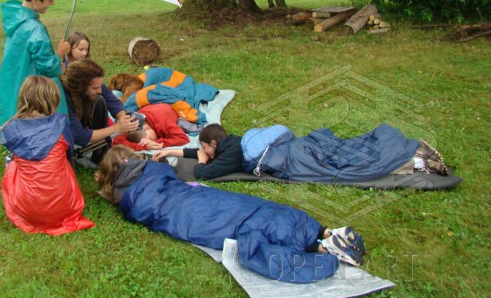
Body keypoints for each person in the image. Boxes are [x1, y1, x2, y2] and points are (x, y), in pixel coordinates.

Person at [95, 145, 366, 283]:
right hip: (196, 200)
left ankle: (323, 248)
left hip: (189, 214)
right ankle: (323, 235)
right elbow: (165, 176)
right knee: (250, 210)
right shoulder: (155, 170)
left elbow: (135, 204)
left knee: (245, 224)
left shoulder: (125, 198)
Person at [153, 123, 451, 183]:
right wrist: (167, 150)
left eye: (204, 147)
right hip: (297, 145)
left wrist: (201, 162)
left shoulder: (229, 157)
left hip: (295, 157)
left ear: (213, 145)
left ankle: (413, 159)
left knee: (343, 163)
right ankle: (413, 151)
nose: (201, 151)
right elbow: (193, 151)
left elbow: (205, 172)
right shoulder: (234, 141)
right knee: (342, 148)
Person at [0, 75, 94, 235]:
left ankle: (29, 199)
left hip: (27, 208)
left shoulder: (11, 128)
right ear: (54, 99)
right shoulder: (62, 124)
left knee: (12, 163)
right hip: (64, 206)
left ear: (23, 98)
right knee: (61, 162)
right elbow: (69, 155)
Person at [0, 0, 70, 127]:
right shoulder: (35, 29)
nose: (52, 3)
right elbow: (47, 67)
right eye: (50, 0)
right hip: (33, 90)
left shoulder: (16, 19)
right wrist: (60, 53)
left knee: (17, 120)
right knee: (37, 125)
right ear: (35, 0)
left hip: (16, 83)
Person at [61, 58, 139, 161]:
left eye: (100, 86)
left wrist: (124, 119)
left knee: (100, 99)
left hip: (81, 125)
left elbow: (113, 101)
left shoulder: (94, 83)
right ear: (80, 86)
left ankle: (101, 152)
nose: (100, 90)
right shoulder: (62, 99)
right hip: (64, 137)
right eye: (95, 88)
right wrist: (117, 128)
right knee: (99, 100)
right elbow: (79, 136)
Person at [112, 103, 190, 151]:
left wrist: (156, 143)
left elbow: (183, 138)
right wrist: (145, 146)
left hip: (163, 107)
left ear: (147, 128)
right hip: (151, 107)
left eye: (149, 139)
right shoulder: (131, 127)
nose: (150, 141)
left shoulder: (162, 121)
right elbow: (117, 142)